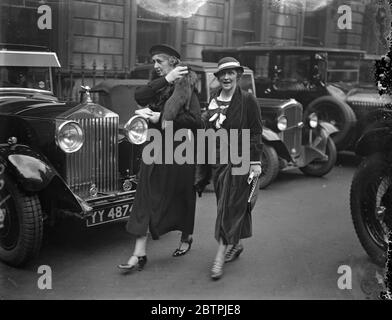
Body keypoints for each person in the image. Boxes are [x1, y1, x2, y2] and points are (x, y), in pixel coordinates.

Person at [118, 44, 201, 272]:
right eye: (153, 61)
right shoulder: (159, 85)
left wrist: (160, 117)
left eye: (159, 61)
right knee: (144, 195)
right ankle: (139, 252)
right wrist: (166, 79)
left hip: (179, 150)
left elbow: (195, 121)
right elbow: (139, 95)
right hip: (154, 147)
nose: (155, 66)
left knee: (182, 195)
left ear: (173, 61)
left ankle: (186, 237)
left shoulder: (187, 87)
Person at [202, 57, 263, 280]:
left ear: (238, 75)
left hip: (241, 158)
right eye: (222, 74)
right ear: (218, 78)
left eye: (231, 73)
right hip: (218, 160)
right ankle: (234, 244)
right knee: (224, 204)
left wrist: (255, 162)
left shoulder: (248, 100)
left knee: (230, 207)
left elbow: (256, 131)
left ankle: (219, 257)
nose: (226, 77)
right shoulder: (212, 99)